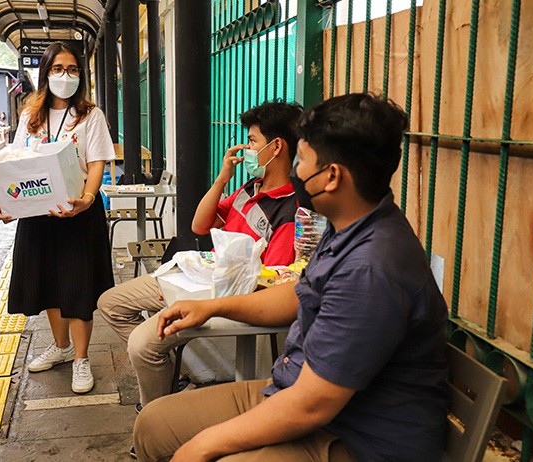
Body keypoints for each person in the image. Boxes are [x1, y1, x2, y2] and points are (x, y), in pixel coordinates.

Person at [133, 93, 449, 462]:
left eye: (302, 160)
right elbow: (298, 295)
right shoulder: (348, 227)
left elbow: (312, 406)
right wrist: (212, 307)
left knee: (207, 452)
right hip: (296, 391)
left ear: (331, 176)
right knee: (153, 425)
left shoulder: (370, 269)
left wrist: (205, 445)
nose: (295, 170)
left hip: (357, 436)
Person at [98, 101, 302, 410]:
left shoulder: (289, 210)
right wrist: (223, 178)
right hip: (198, 277)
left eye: (252, 141)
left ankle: (156, 415)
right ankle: (171, 379)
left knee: (142, 344)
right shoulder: (250, 188)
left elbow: (267, 282)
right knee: (111, 304)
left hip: (219, 294)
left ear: (276, 147)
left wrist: (196, 296)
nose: (247, 149)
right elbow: (199, 225)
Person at [0, 41, 115, 394]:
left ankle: (81, 358)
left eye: (73, 69)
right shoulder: (31, 115)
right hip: (38, 212)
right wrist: (8, 203)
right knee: (48, 283)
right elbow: (16, 163)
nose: (66, 75)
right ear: (45, 73)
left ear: (81, 75)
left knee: (78, 287)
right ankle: (61, 347)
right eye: (58, 69)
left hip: (78, 213)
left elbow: (96, 163)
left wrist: (87, 199)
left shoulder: (90, 115)